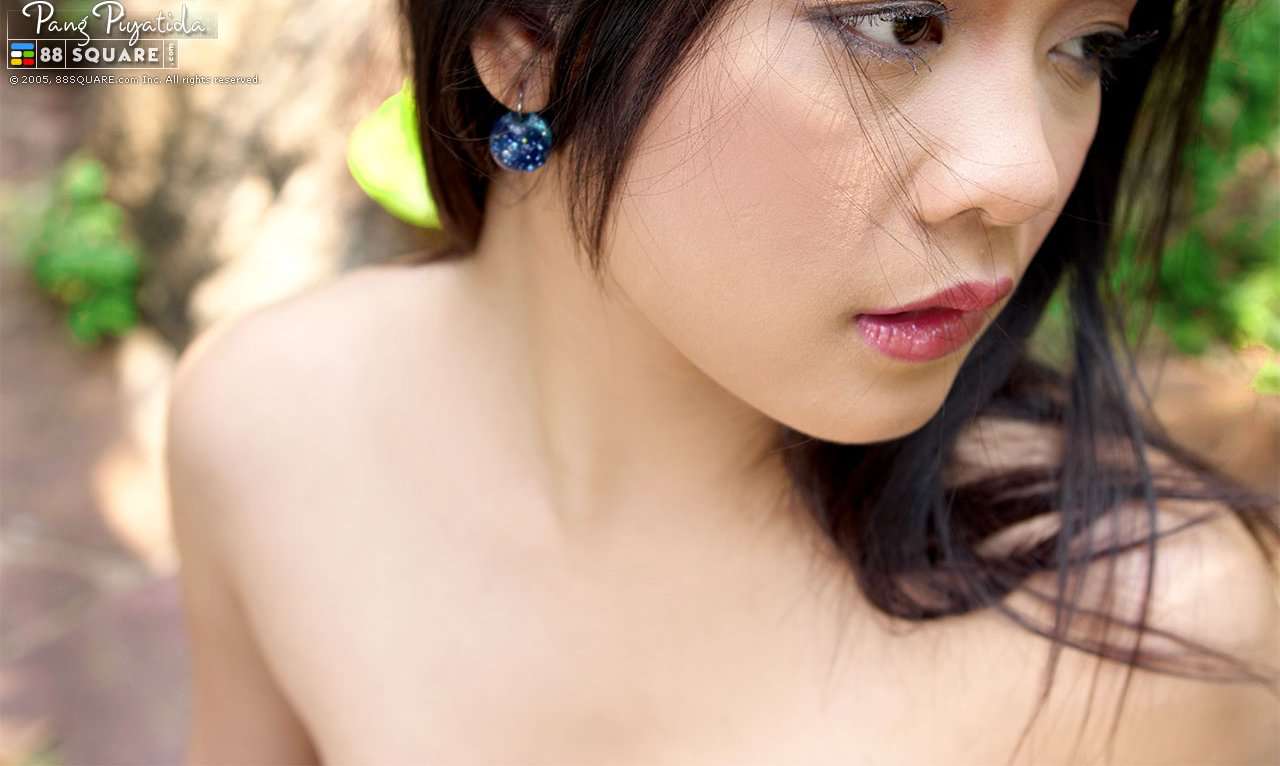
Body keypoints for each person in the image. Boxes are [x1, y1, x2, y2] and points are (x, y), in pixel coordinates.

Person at [164, 1, 1280, 764]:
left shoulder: (1142, 635)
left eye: (1085, 46)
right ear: (524, 36)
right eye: (904, 24)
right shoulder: (264, 425)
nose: (1023, 172)